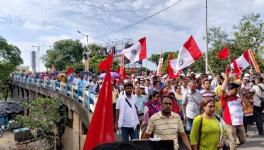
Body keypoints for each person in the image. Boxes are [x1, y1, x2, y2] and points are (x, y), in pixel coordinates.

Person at [220, 74, 246, 150]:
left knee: (243, 140)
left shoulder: (238, 97)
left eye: (237, 90)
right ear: (230, 90)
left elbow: (247, 105)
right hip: (230, 123)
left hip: (239, 122)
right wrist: (226, 79)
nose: (236, 92)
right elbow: (222, 89)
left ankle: (229, 147)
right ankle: (232, 147)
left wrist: (241, 96)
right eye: (235, 90)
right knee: (233, 141)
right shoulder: (225, 98)